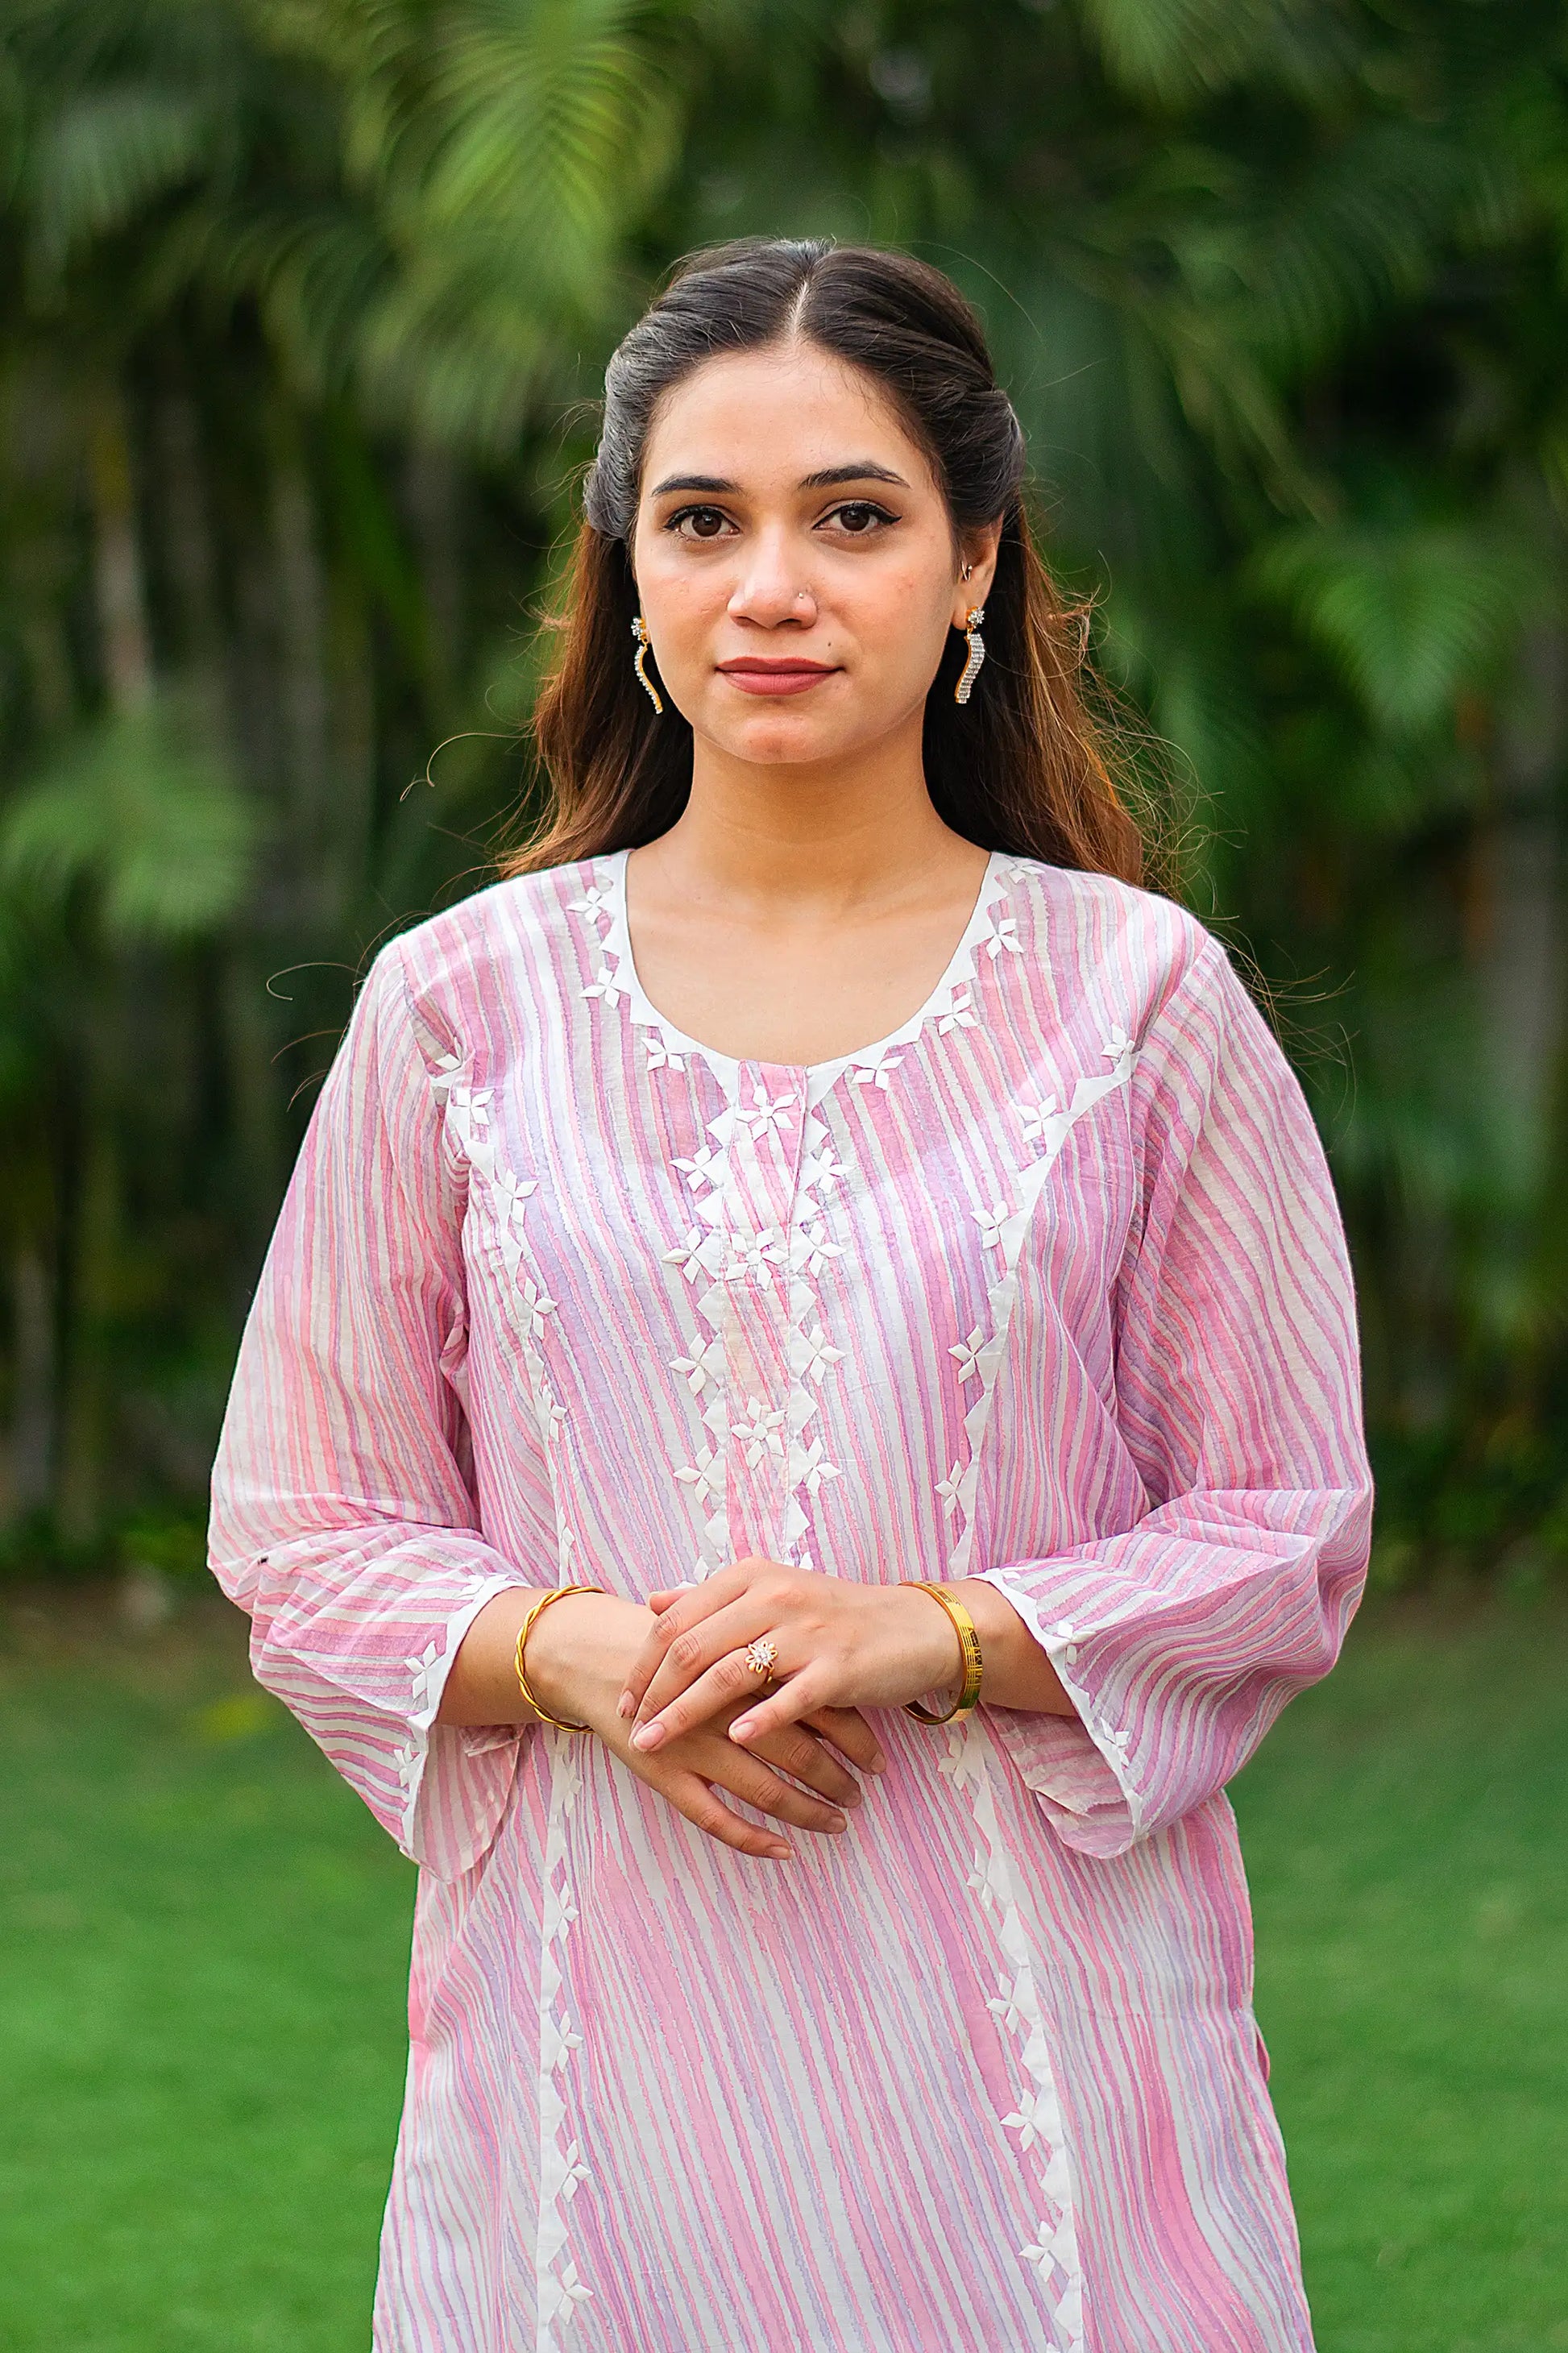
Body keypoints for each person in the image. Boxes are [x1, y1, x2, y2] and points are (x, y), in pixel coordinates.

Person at [208, 237, 1374, 2353]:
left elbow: (1286, 1522)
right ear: (623, 584)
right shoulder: (459, 1015)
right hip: (592, 2099)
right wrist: (574, 1652)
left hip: (1039, 2101)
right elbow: (303, 1532)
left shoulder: (1136, 1005)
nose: (771, 583)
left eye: (851, 516)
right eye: (701, 521)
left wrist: (925, 1629)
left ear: (970, 571)